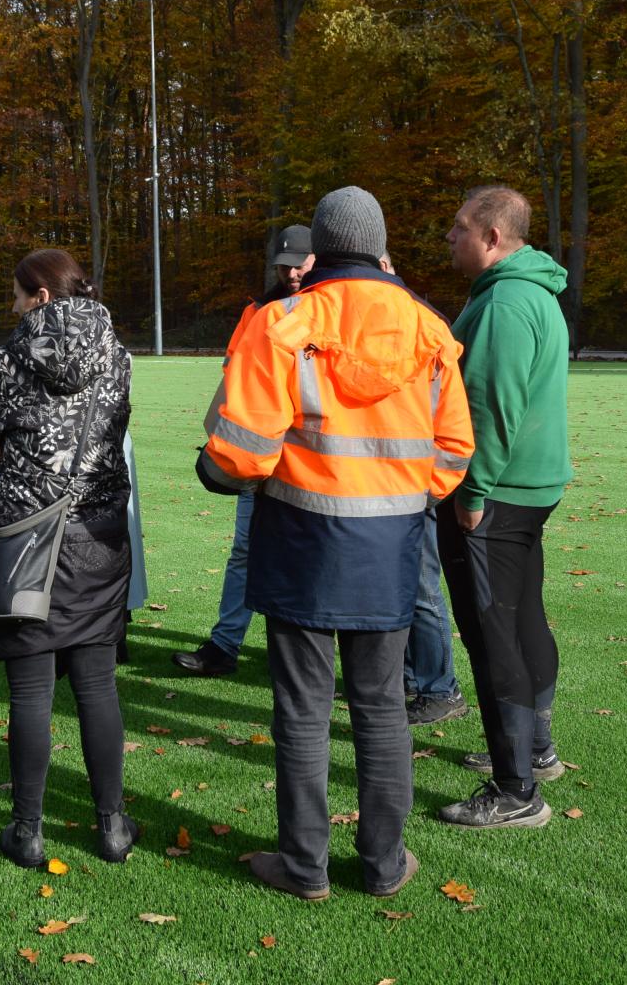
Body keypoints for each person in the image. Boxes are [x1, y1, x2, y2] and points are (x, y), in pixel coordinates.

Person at [198, 187, 475, 901]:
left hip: (301, 536)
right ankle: (384, 863)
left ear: (317, 249)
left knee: (303, 709)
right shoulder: (428, 326)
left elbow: (241, 451)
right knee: (381, 707)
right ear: (379, 245)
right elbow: (453, 451)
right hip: (388, 544)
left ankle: (305, 863)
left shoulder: (282, 322)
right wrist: (406, 496)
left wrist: (219, 468)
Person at [0, 248, 139, 868]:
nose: (11, 307)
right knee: (96, 685)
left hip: (28, 535)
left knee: (32, 690)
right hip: (96, 534)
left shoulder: (8, 358)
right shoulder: (117, 354)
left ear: (39, 297)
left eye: (16, 295)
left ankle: (27, 829)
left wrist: (14, 449)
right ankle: (112, 825)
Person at [435, 185, 574, 829]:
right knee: (522, 622)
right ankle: (536, 752)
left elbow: (491, 408)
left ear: (493, 237)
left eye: (460, 229)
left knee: (494, 637)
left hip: (498, 494)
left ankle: (516, 789)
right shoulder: (531, 293)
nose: (451, 239)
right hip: (532, 488)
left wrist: (472, 493)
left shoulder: (506, 304)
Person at [173, 224, 313, 677]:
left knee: (307, 559)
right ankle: (225, 645)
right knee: (244, 552)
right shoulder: (257, 310)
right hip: (259, 456)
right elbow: (234, 375)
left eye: (300, 264)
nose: (291, 273)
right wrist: (217, 430)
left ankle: (306, 656)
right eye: (284, 265)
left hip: (310, 462)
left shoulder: (330, 308)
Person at [376, 252, 466, 728]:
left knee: (421, 588)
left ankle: (439, 686)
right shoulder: (405, 313)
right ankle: (416, 679)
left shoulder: (418, 319)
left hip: (412, 483)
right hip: (400, 482)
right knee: (410, 586)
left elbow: (447, 419)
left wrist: (429, 490)